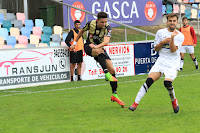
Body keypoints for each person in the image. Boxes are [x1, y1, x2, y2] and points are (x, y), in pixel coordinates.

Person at [129, 13, 184, 113]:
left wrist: (171, 39)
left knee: (167, 83)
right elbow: (156, 48)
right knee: (149, 81)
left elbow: (172, 50)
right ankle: (135, 104)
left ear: (177, 22)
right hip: (161, 61)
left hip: (172, 63)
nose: (172, 23)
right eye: (170, 21)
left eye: (174, 21)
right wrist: (163, 42)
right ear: (167, 22)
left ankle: (174, 101)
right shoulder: (160, 32)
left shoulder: (180, 36)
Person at [70, 12, 125, 107]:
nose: (104, 24)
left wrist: (96, 46)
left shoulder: (107, 28)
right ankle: (106, 74)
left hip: (98, 47)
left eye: (105, 22)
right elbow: (81, 32)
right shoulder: (91, 24)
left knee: (112, 70)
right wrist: (74, 43)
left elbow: (106, 41)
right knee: (99, 52)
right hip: (88, 46)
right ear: (97, 20)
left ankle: (114, 95)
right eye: (102, 22)